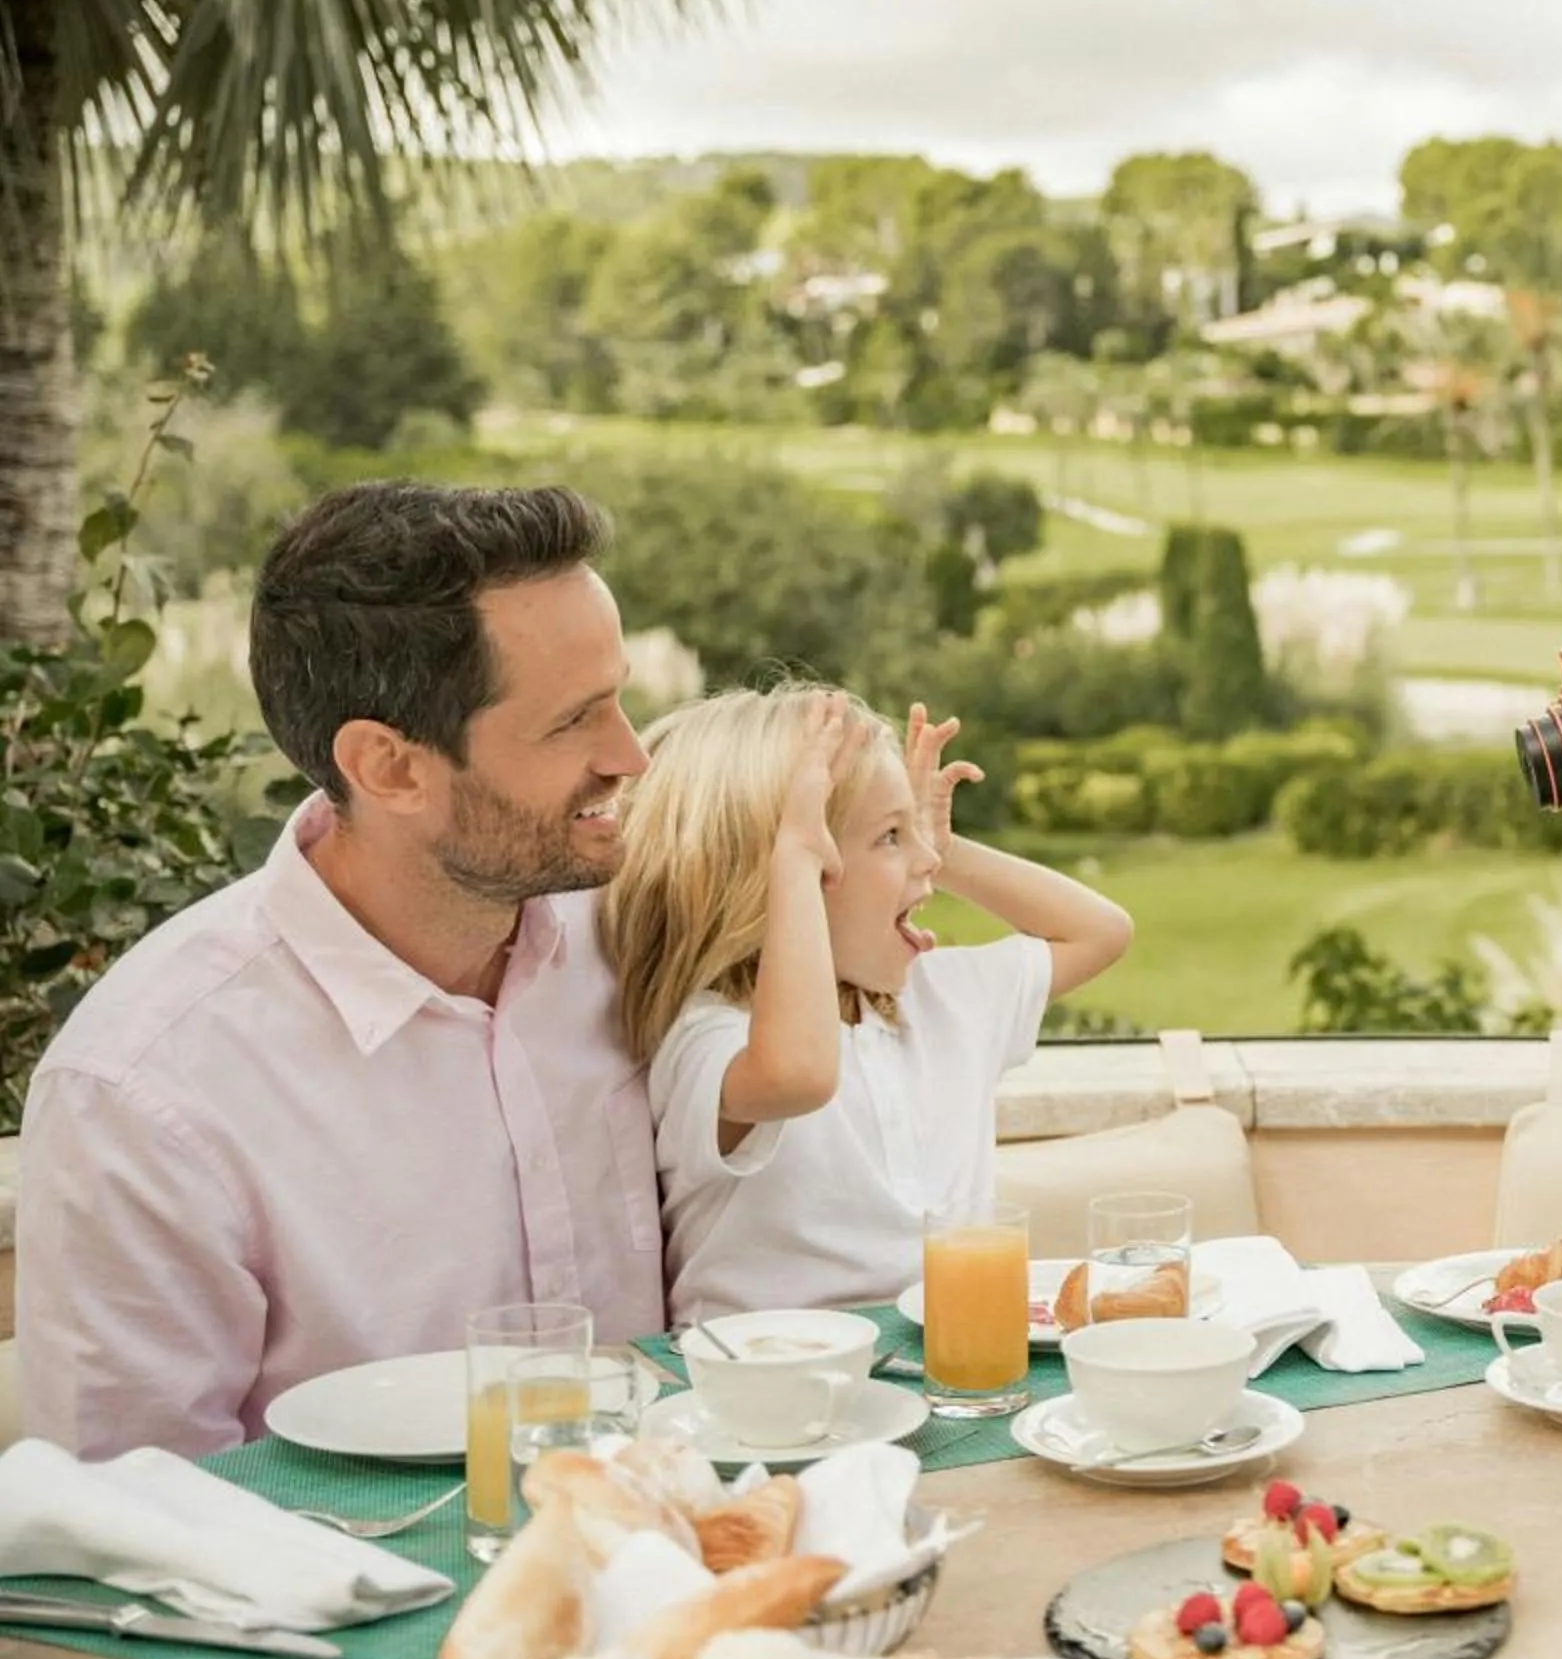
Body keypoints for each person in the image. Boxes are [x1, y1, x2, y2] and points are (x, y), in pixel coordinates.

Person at [18, 483, 664, 1457]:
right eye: (575, 720)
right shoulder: (145, 1093)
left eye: (620, 698)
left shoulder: (642, 937)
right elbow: (137, 1520)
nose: (631, 754)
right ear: (390, 767)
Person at [601, 685, 1132, 1324]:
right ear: (772, 877)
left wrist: (946, 848)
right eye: (888, 837)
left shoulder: (935, 998)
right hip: (760, 1399)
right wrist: (792, 857)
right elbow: (799, 1074)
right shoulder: (710, 1040)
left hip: (947, 1379)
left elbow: (1100, 932)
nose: (927, 858)